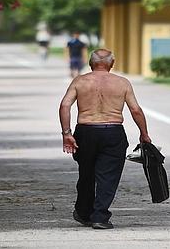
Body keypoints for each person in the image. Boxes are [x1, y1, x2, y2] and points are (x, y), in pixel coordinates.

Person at [59, 49, 152, 229]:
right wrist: (144, 133)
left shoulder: (80, 81)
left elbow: (64, 105)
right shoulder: (122, 83)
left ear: (90, 63)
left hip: (85, 131)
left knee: (86, 173)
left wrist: (66, 134)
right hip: (113, 132)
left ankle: (84, 212)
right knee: (107, 176)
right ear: (112, 63)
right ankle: (99, 217)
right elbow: (136, 110)